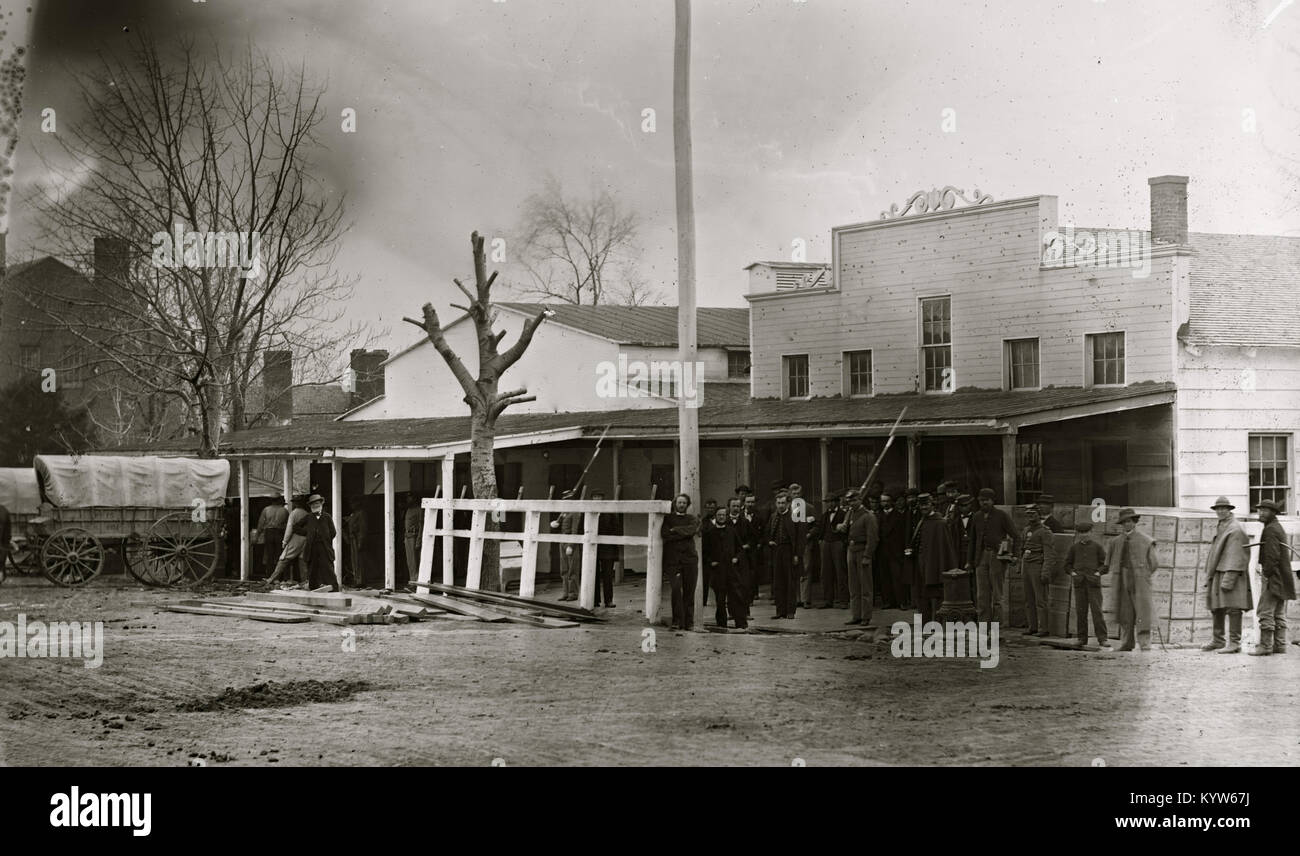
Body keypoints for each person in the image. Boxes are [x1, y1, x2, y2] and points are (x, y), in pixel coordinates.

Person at [1200, 496, 1252, 654]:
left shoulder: (1235, 528)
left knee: (1233, 608)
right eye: (1218, 509)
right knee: (1216, 607)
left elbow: (1237, 555)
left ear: (1230, 510)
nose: (1220, 511)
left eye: (1224, 508)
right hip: (1219, 572)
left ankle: (1235, 643)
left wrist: (1229, 578)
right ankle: (1218, 640)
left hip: (1231, 573)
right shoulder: (1223, 525)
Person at [1105, 508, 1157, 652]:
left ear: (1135, 522)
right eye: (1124, 522)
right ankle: (1127, 643)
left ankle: (1145, 643)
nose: (1127, 524)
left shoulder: (1146, 541)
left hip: (1140, 581)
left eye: (1129, 521)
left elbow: (1154, 563)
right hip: (1121, 579)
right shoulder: (1115, 542)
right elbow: (1108, 563)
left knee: (1142, 612)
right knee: (1124, 612)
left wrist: (1142, 575)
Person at [968, 488, 1017, 629]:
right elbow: (973, 540)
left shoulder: (1001, 515)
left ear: (992, 501)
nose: (984, 503)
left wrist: (1014, 555)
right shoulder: (976, 516)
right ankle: (984, 624)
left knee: (997, 593)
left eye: (986, 500)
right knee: (982, 595)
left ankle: (997, 625)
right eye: (981, 500)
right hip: (981, 557)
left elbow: (1016, 536)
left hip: (997, 557)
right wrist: (969, 561)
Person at [1252, 499, 1294, 656]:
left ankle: (1265, 646)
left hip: (1274, 578)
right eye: (1259, 509)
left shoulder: (1270, 530)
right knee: (1278, 612)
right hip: (1282, 578)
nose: (1261, 513)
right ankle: (1280, 645)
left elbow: (1272, 556)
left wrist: (1267, 575)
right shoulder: (1277, 527)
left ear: (1273, 513)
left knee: (1265, 611)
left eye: (1265, 510)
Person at [910, 494, 958, 622]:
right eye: (921, 505)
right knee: (921, 595)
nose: (924, 507)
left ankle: (937, 622)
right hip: (920, 564)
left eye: (926, 504)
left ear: (932, 505)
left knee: (935, 595)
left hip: (934, 565)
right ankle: (925, 622)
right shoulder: (921, 521)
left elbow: (945, 549)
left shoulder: (940, 523)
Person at [1065, 521, 1109, 648]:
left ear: (1091, 532)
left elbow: (1105, 565)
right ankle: (1081, 638)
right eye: (1081, 533)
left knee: (1097, 611)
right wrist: (1072, 573)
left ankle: (1103, 639)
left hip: (1093, 584)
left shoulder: (1097, 547)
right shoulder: (1074, 548)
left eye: (1086, 532)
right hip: (1079, 584)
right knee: (1081, 612)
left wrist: (1097, 573)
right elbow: (1067, 565)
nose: (1084, 535)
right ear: (1078, 534)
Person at [661, 493, 700, 630]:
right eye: (679, 502)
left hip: (690, 559)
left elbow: (692, 530)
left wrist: (676, 530)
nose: (681, 505)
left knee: (689, 591)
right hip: (673, 561)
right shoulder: (668, 518)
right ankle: (677, 621)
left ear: (687, 505)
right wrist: (682, 534)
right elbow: (665, 534)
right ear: (675, 504)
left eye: (684, 503)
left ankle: (689, 623)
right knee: (676, 589)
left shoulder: (692, 518)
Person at [704, 506, 748, 629]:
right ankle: (721, 624)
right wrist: (711, 562)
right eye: (719, 515)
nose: (721, 517)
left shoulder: (731, 531)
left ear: (726, 516)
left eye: (723, 515)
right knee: (720, 599)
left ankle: (741, 623)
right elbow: (705, 552)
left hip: (732, 570)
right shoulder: (710, 533)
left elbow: (740, 549)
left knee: (736, 597)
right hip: (718, 571)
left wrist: (736, 558)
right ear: (715, 517)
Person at [1017, 504, 1056, 637]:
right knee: (1028, 599)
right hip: (1026, 566)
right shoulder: (1026, 530)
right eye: (1028, 514)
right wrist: (1019, 566)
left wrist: (1045, 572)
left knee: (1041, 599)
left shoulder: (1045, 532)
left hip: (1037, 566)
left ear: (1039, 515)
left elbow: (1049, 554)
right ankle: (1032, 626)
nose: (1031, 516)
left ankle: (1043, 628)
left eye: (1033, 513)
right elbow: (1022, 549)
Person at [767, 492, 803, 619]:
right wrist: (770, 541)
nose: (781, 505)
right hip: (777, 550)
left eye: (783, 503)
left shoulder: (794, 516)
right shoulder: (773, 517)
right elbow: (768, 533)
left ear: (787, 503)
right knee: (778, 581)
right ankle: (780, 610)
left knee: (790, 581)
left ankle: (790, 611)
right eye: (778, 503)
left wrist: (797, 554)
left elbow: (799, 537)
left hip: (789, 550)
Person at [845, 490, 878, 626]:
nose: (851, 503)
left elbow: (873, 538)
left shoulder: (868, 516)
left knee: (865, 586)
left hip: (862, 550)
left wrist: (867, 555)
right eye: (849, 501)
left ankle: (866, 616)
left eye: (853, 500)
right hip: (851, 550)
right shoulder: (851, 514)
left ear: (859, 499)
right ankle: (856, 615)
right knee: (853, 586)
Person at [295, 494, 338, 592]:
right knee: (312, 567)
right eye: (313, 504)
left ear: (321, 504)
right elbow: (296, 527)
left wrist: (325, 538)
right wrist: (308, 533)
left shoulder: (327, 517)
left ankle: (334, 588)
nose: (315, 505)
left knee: (328, 567)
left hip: (324, 546)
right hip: (312, 546)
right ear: (310, 506)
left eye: (317, 503)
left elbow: (333, 532)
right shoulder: (309, 517)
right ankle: (314, 587)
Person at [591, 489, 622, 608]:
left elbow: (616, 529)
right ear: (592, 499)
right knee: (593, 575)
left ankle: (608, 600)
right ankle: (595, 600)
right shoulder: (588, 512)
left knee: (608, 575)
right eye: (595, 497)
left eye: (599, 497)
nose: (597, 499)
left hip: (607, 549)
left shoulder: (609, 513)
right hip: (593, 549)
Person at [788, 483, 817, 608]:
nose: (796, 496)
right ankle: (796, 598)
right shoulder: (787, 509)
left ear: (802, 494)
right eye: (793, 493)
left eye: (798, 493)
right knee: (793, 570)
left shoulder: (809, 508)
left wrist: (809, 534)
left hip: (805, 543)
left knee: (805, 569)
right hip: (791, 545)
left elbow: (817, 525)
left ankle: (805, 599)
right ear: (790, 494)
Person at [875, 490, 906, 609]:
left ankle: (901, 602)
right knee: (884, 577)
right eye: (883, 501)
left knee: (897, 577)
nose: (885, 503)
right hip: (882, 552)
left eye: (887, 501)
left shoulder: (899, 516)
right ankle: (887, 601)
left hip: (896, 552)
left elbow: (904, 534)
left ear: (891, 502)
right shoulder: (878, 517)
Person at [726, 497, 754, 620]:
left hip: (742, 558)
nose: (736, 508)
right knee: (730, 585)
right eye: (733, 506)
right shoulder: (725, 521)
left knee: (744, 585)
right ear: (729, 507)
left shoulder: (745, 522)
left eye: (738, 506)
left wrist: (747, 545)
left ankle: (745, 612)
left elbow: (753, 538)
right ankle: (732, 612)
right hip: (728, 558)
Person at [271, 496, 309, 584]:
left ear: (295, 503)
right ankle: (305, 581)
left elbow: (289, 528)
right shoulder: (306, 513)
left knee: (284, 558)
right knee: (302, 560)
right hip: (305, 538)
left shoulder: (294, 513)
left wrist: (285, 541)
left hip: (296, 537)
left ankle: (272, 578)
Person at [822, 490, 851, 609]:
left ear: (836, 502)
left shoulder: (844, 515)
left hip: (838, 544)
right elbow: (821, 529)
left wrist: (843, 542)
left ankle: (843, 600)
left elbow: (846, 531)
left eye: (831, 502)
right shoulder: (824, 516)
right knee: (826, 573)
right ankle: (828, 600)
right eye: (827, 502)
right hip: (826, 544)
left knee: (840, 572)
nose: (829, 504)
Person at [947, 494, 974, 601]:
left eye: (966, 505)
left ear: (971, 505)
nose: (964, 508)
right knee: (961, 581)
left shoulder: (976, 518)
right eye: (962, 506)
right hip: (959, 554)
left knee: (974, 582)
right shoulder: (955, 522)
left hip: (972, 554)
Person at [256, 497, 289, 579]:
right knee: (279, 555)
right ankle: (278, 576)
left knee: (269, 554)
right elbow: (287, 525)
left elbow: (261, 523)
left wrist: (257, 535)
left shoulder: (266, 509)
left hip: (269, 532)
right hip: (279, 533)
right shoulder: (284, 510)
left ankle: (269, 576)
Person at [741, 494, 762, 607]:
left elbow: (761, 532)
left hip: (753, 548)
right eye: (748, 502)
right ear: (744, 502)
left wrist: (758, 544)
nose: (750, 504)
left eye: (752, 502)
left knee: (752, 573)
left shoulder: (759, 516)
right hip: (740, 548)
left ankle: (750, 597)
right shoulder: (739, 515)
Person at [343, 498, 368, 587]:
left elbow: (362, 529)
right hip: (352, 539)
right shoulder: (354, 514)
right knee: (354, 561)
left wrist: (360, 541)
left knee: (358, 561)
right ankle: (357, 579)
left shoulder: (360, 513)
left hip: (357, 539)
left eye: (353, 503)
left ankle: (360, 581)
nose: (351, 505)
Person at [403, 494, 423, 581]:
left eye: (410, 497)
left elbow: (421, 525)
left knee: (415, 561)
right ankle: (412, 579)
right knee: (410, 561)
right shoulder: (408, 510)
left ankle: (416, 580)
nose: (408, 499)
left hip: (414, 537)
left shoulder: (419, 509)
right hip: (408, 536)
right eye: (407, 497)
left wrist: (419, 539)